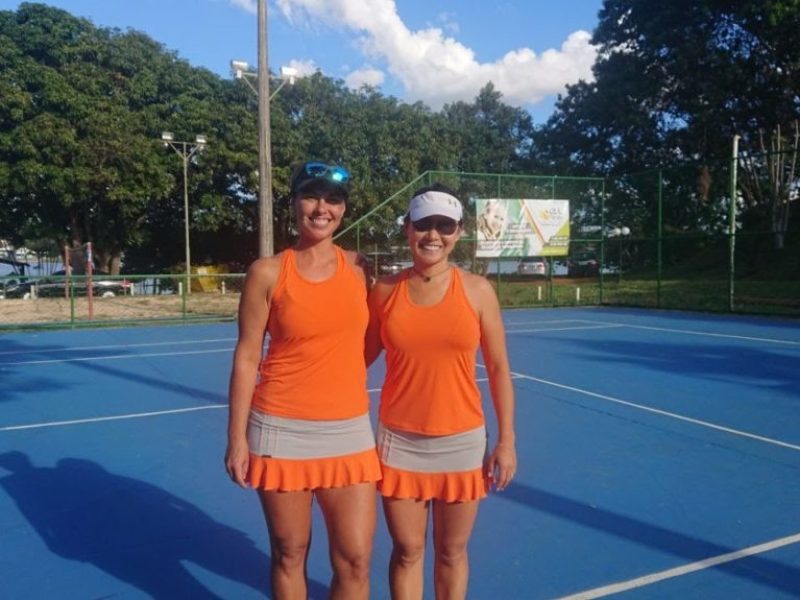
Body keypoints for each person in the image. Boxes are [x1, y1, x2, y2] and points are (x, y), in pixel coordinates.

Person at [225, 161, 381, 600]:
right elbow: (247, 355)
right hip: (280, 430)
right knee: (290, 552)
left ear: (344, 210)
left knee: (355, 560)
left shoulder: (361, 269)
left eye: (333, 200)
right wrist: (237, 438)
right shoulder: (268, 272)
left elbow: (381, 337)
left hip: (349, 433)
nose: (321, 208)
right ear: (293, 203)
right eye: (311, 196)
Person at [366, 183, 517, 600]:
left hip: (462, 442)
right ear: (407, 229)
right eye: (424, 224)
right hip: (399, 442)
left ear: (459, 232)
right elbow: (353, 358)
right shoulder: (384, 292)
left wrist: (506, 441)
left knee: (451, 552)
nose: (433, 235)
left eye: (444, 226)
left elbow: (501, 368)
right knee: (408, 550)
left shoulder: (478, 291)